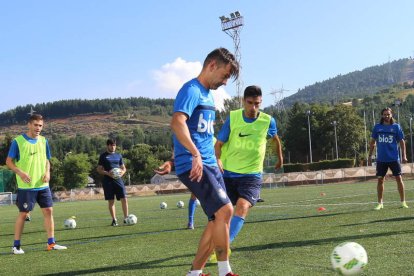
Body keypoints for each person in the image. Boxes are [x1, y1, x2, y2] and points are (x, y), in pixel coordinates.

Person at [171, 47, 239, 276]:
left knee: (216, 219)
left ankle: (194, 273)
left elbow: (201, 134)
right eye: (225, 75)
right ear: (212, 65)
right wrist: (195, 155)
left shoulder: (208, 95)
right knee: (226, 211)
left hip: (210, 163)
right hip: (195, 164)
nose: (226, 81)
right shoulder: (191, 90)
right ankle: (225, 271)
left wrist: (214, 157)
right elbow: (177, 123)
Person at [211, 85, 283, 262]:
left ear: (261, 102)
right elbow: (219, 144)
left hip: (252, 175)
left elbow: (274, 139)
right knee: (221, 214)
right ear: (243, 101)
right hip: (228, 174)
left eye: (257, 104)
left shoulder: (267, 121)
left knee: (242, 207)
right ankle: (214, 244)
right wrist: (218, 160)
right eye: (250, 103)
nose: (253, 108)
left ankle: (224, 247)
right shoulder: (234, 118)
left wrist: (279, 157)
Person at [6, 114, 67, 254]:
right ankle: (16, 246)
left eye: (40, 125)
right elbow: (9, 162)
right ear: (29, 125)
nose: (38, 128)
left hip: (43, 185)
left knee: (48, 211)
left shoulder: (44, 141)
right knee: (24, 213)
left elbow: (47, 160)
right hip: (26, 186)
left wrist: (48, 172)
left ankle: (51, 243)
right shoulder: (18, 141)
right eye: (35, 125)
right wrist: (20, 173)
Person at [368, 107, 408, 210]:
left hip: (394, 158)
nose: (386, 116)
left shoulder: (396, 127)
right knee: (380, 180)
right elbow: (372, 142)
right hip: (381, 159)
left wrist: (404, 155)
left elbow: (402, 142)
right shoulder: (377, 127)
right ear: (382, 115)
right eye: (384, 114)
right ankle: (380, 203)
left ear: (391, 115)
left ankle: (403, 202)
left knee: (399, 179)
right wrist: (369, 155)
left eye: (388, 114)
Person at [155, 159, 199, 230]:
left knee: (198, 194)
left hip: (206, 166)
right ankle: (191, 222)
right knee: (196, 194)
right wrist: (170, 163)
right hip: (195, 168)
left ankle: (192, 222)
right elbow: (174, 157)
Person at [97, 139, 129, 226]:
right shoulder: (103, 156)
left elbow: (124, 168)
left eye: (114, 145)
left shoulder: (119, 155)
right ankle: (114, 220)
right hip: (108, 181)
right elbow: (99, 169)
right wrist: (108, 173)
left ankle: (126, 218)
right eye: (111, 145)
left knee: (124, 198)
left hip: (118, 180)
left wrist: (122, 173)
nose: (113, 147)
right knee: (111, 201)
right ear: (107, 146)